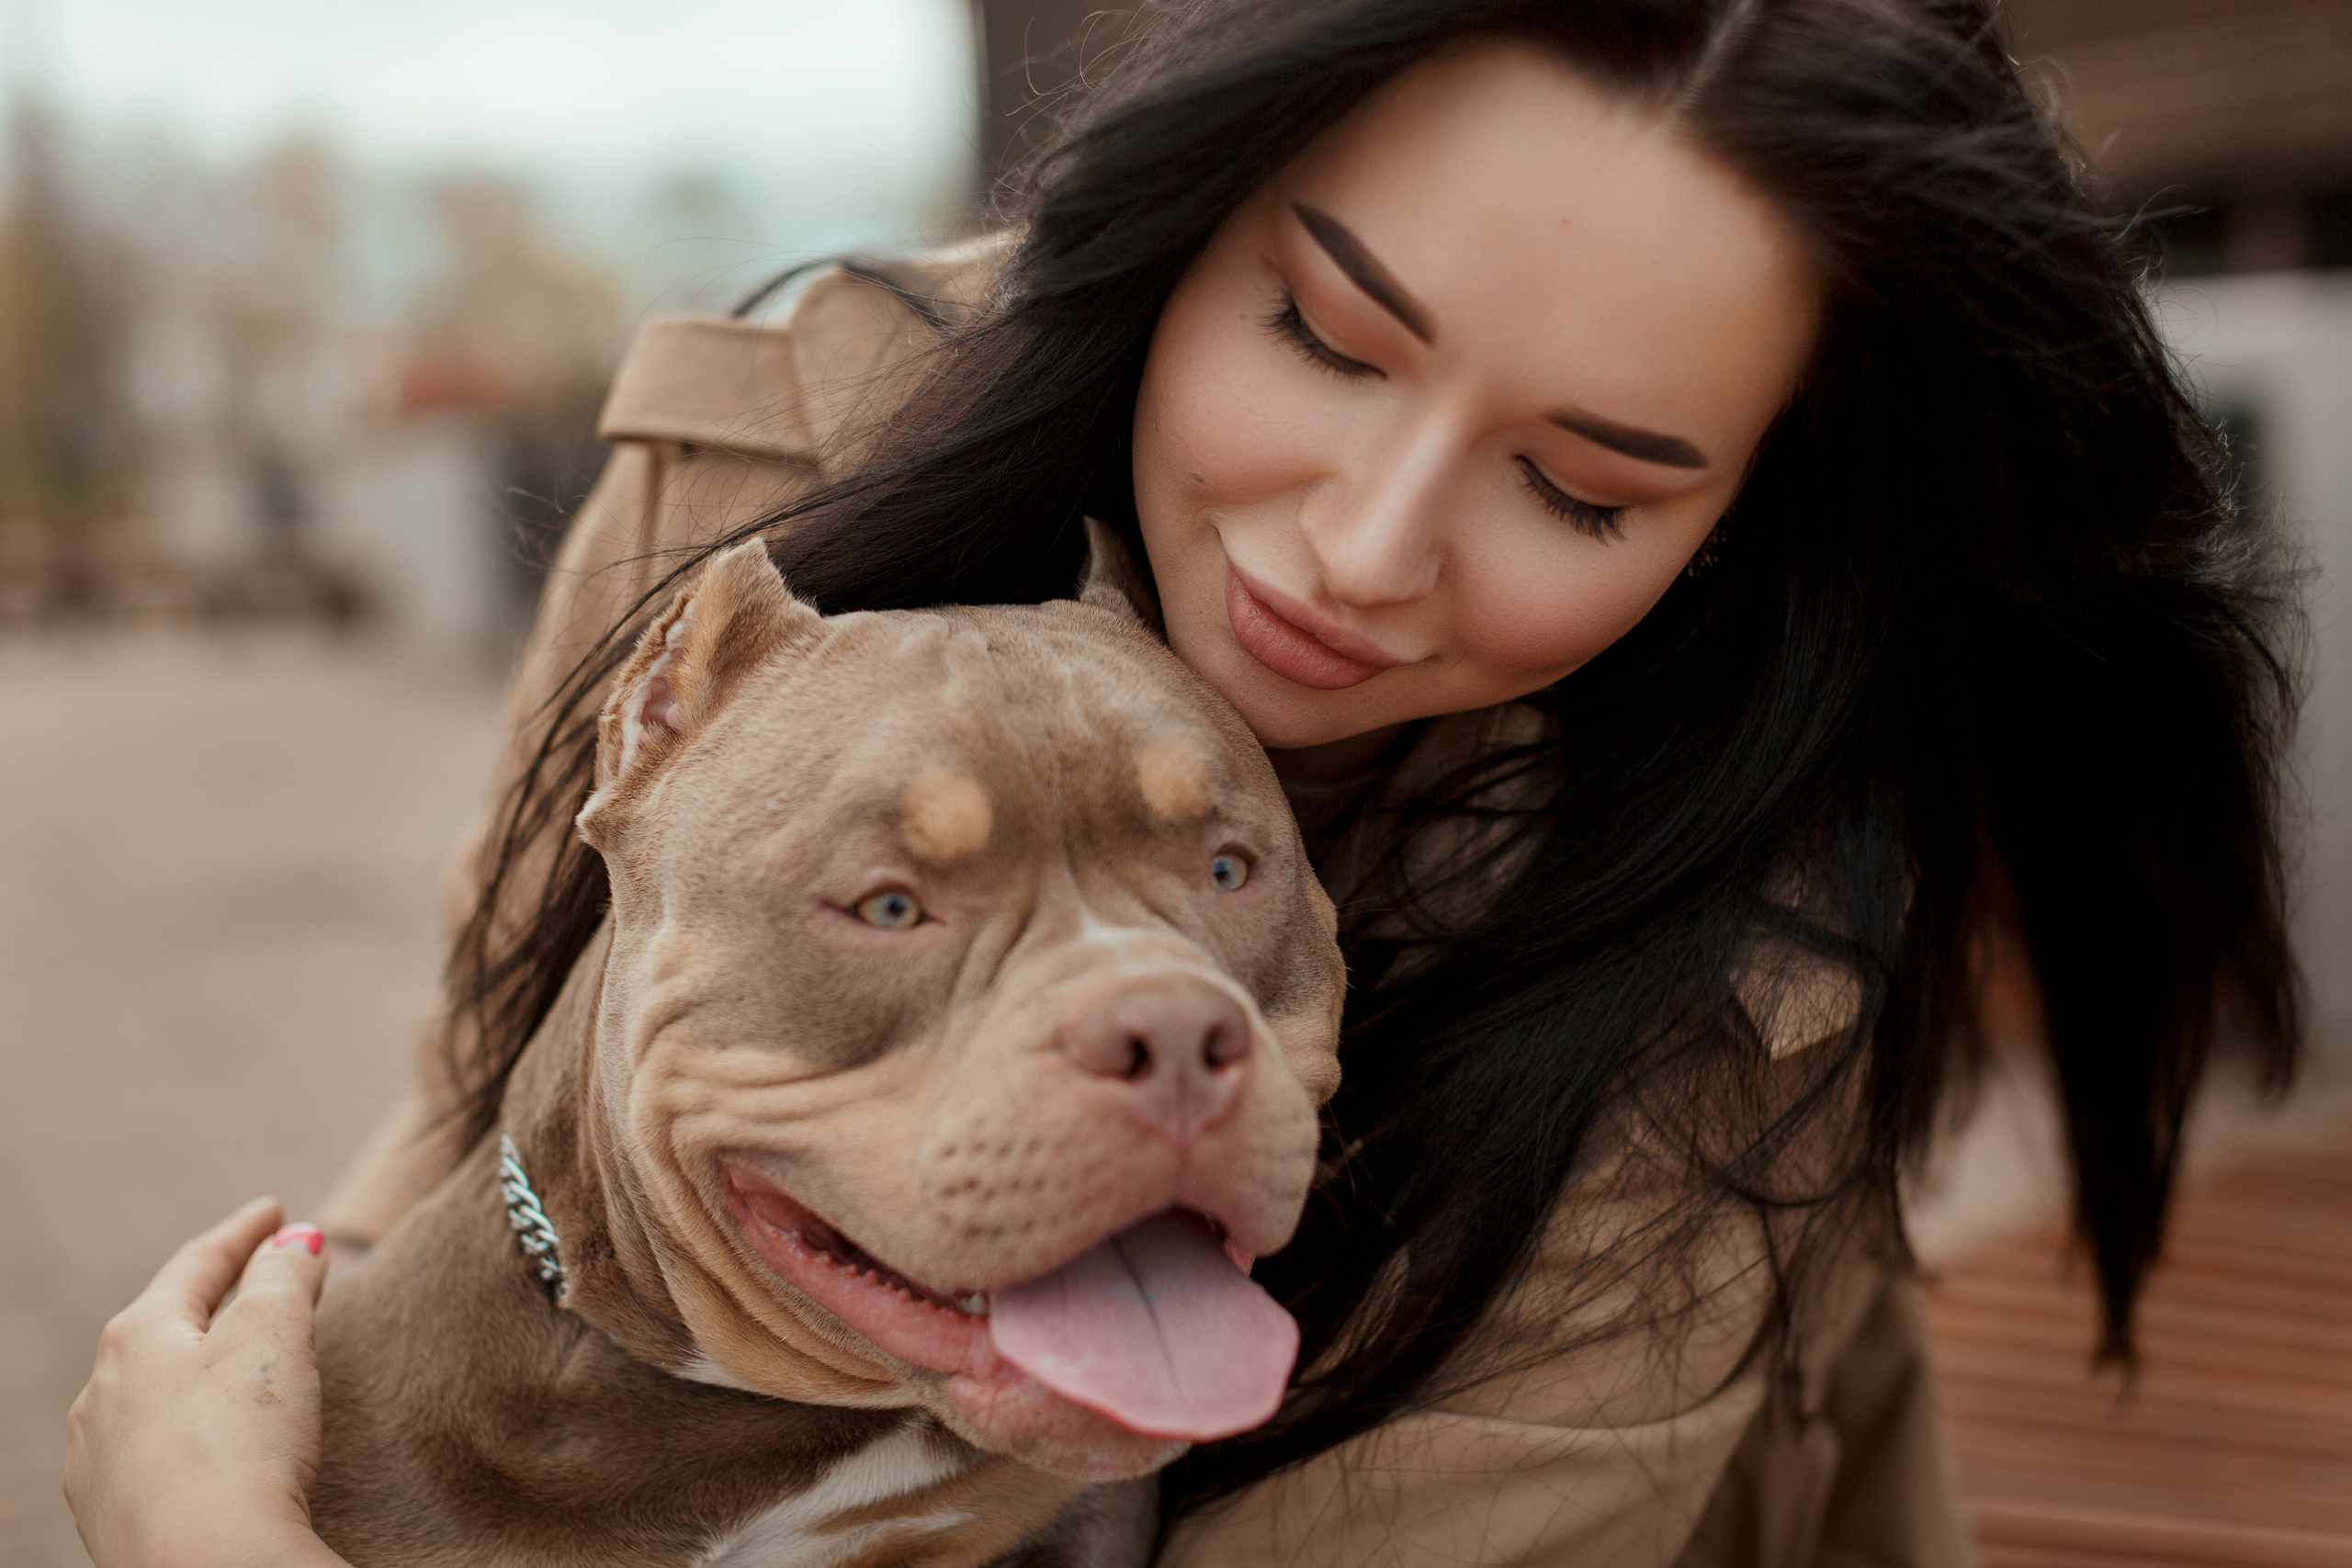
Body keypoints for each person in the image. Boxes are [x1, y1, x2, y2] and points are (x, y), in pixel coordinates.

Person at [67, 1, 2301, 1562]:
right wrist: (297, 1355)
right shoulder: (788, 479)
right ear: (1196, 217)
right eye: (1326, 337)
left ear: (1744, 524)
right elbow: (497, 1094)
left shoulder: (1734, 1000)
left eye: (1582, 485)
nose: (1360, 538)